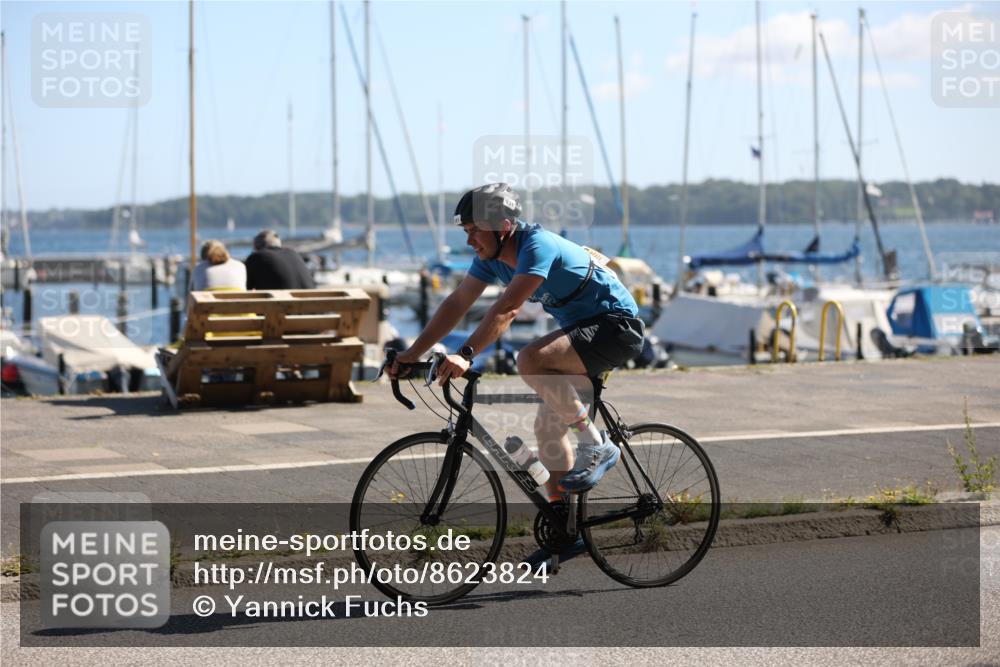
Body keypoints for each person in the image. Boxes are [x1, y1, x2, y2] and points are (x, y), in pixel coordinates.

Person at [391, 183, 644, 506]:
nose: (469, 240)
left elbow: (508, 309)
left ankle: (597, 445)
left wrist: (466, 354)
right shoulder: (490, 258)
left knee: (531, 359)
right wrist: (412, 354)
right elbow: (457, 303)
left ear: (504, 228)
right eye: (466, 231)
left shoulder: (536, 247)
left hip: (616, 327)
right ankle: (563, 531)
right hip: (582, 331)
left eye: (475, 231)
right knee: (548, 433)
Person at [245, 229, 316, 290]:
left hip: (282, 305)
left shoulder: (256, 257)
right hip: (313, 304)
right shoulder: (294, 254)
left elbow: (245, 288)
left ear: (256, 247)